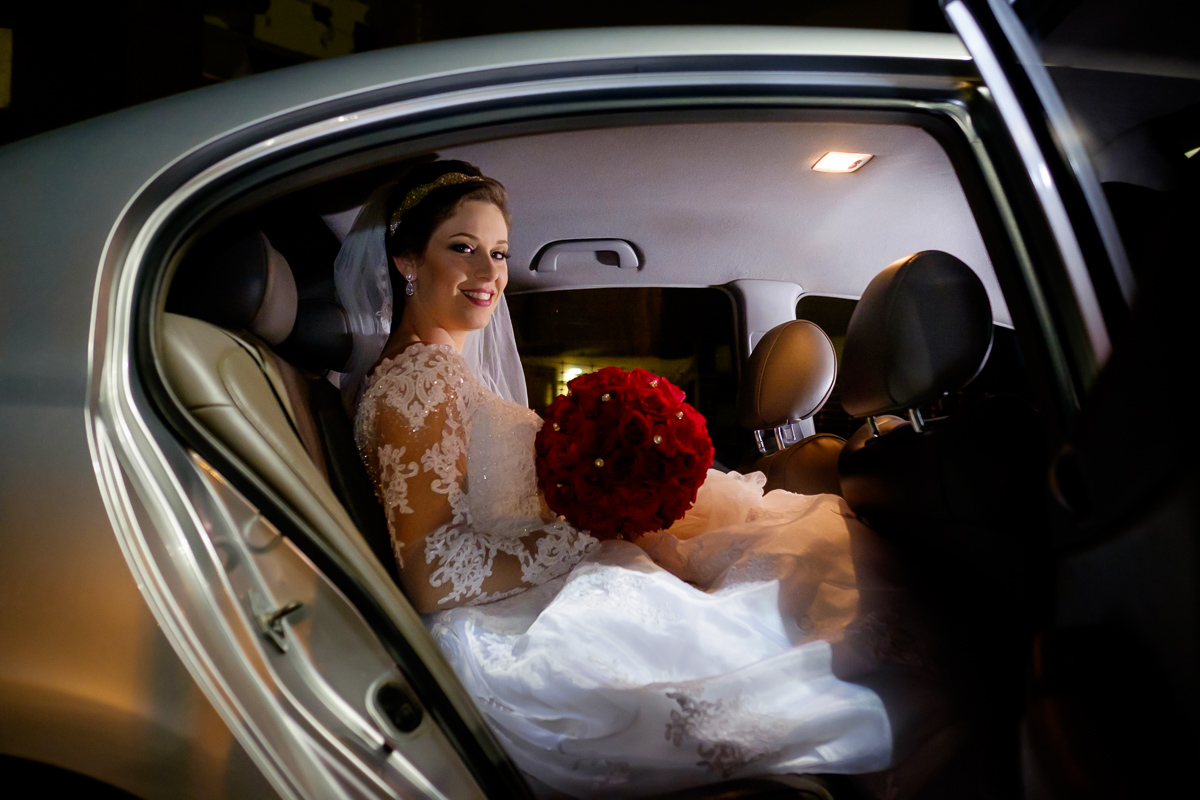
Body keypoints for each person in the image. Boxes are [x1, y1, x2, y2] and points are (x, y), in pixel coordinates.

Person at [344, 161, 942, 798]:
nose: (490, 274)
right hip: (509, 626)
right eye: (461, 249)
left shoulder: (448, 372)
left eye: (498, 253)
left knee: (801, 584)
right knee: (819, 643)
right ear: (406, 260)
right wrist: (593, 530)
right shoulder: (418, 381)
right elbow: (431, 572)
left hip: (535, 584)